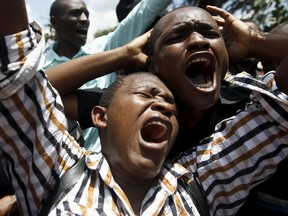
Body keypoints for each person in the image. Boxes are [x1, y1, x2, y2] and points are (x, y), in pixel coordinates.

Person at [2, 1, 288, 215]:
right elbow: (24, 88)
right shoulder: (59, 172)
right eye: (148, 93)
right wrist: (125, 53)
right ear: (102, 114)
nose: (164, 107)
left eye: (171, 107)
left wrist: (254, 42)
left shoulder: (200, 179)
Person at [43, 0, 172, 150]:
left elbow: (145, 10)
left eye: (87, 14)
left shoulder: (105, 48)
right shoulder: (40, 67)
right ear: (55, 22)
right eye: (75, 13)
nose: (85, 19)